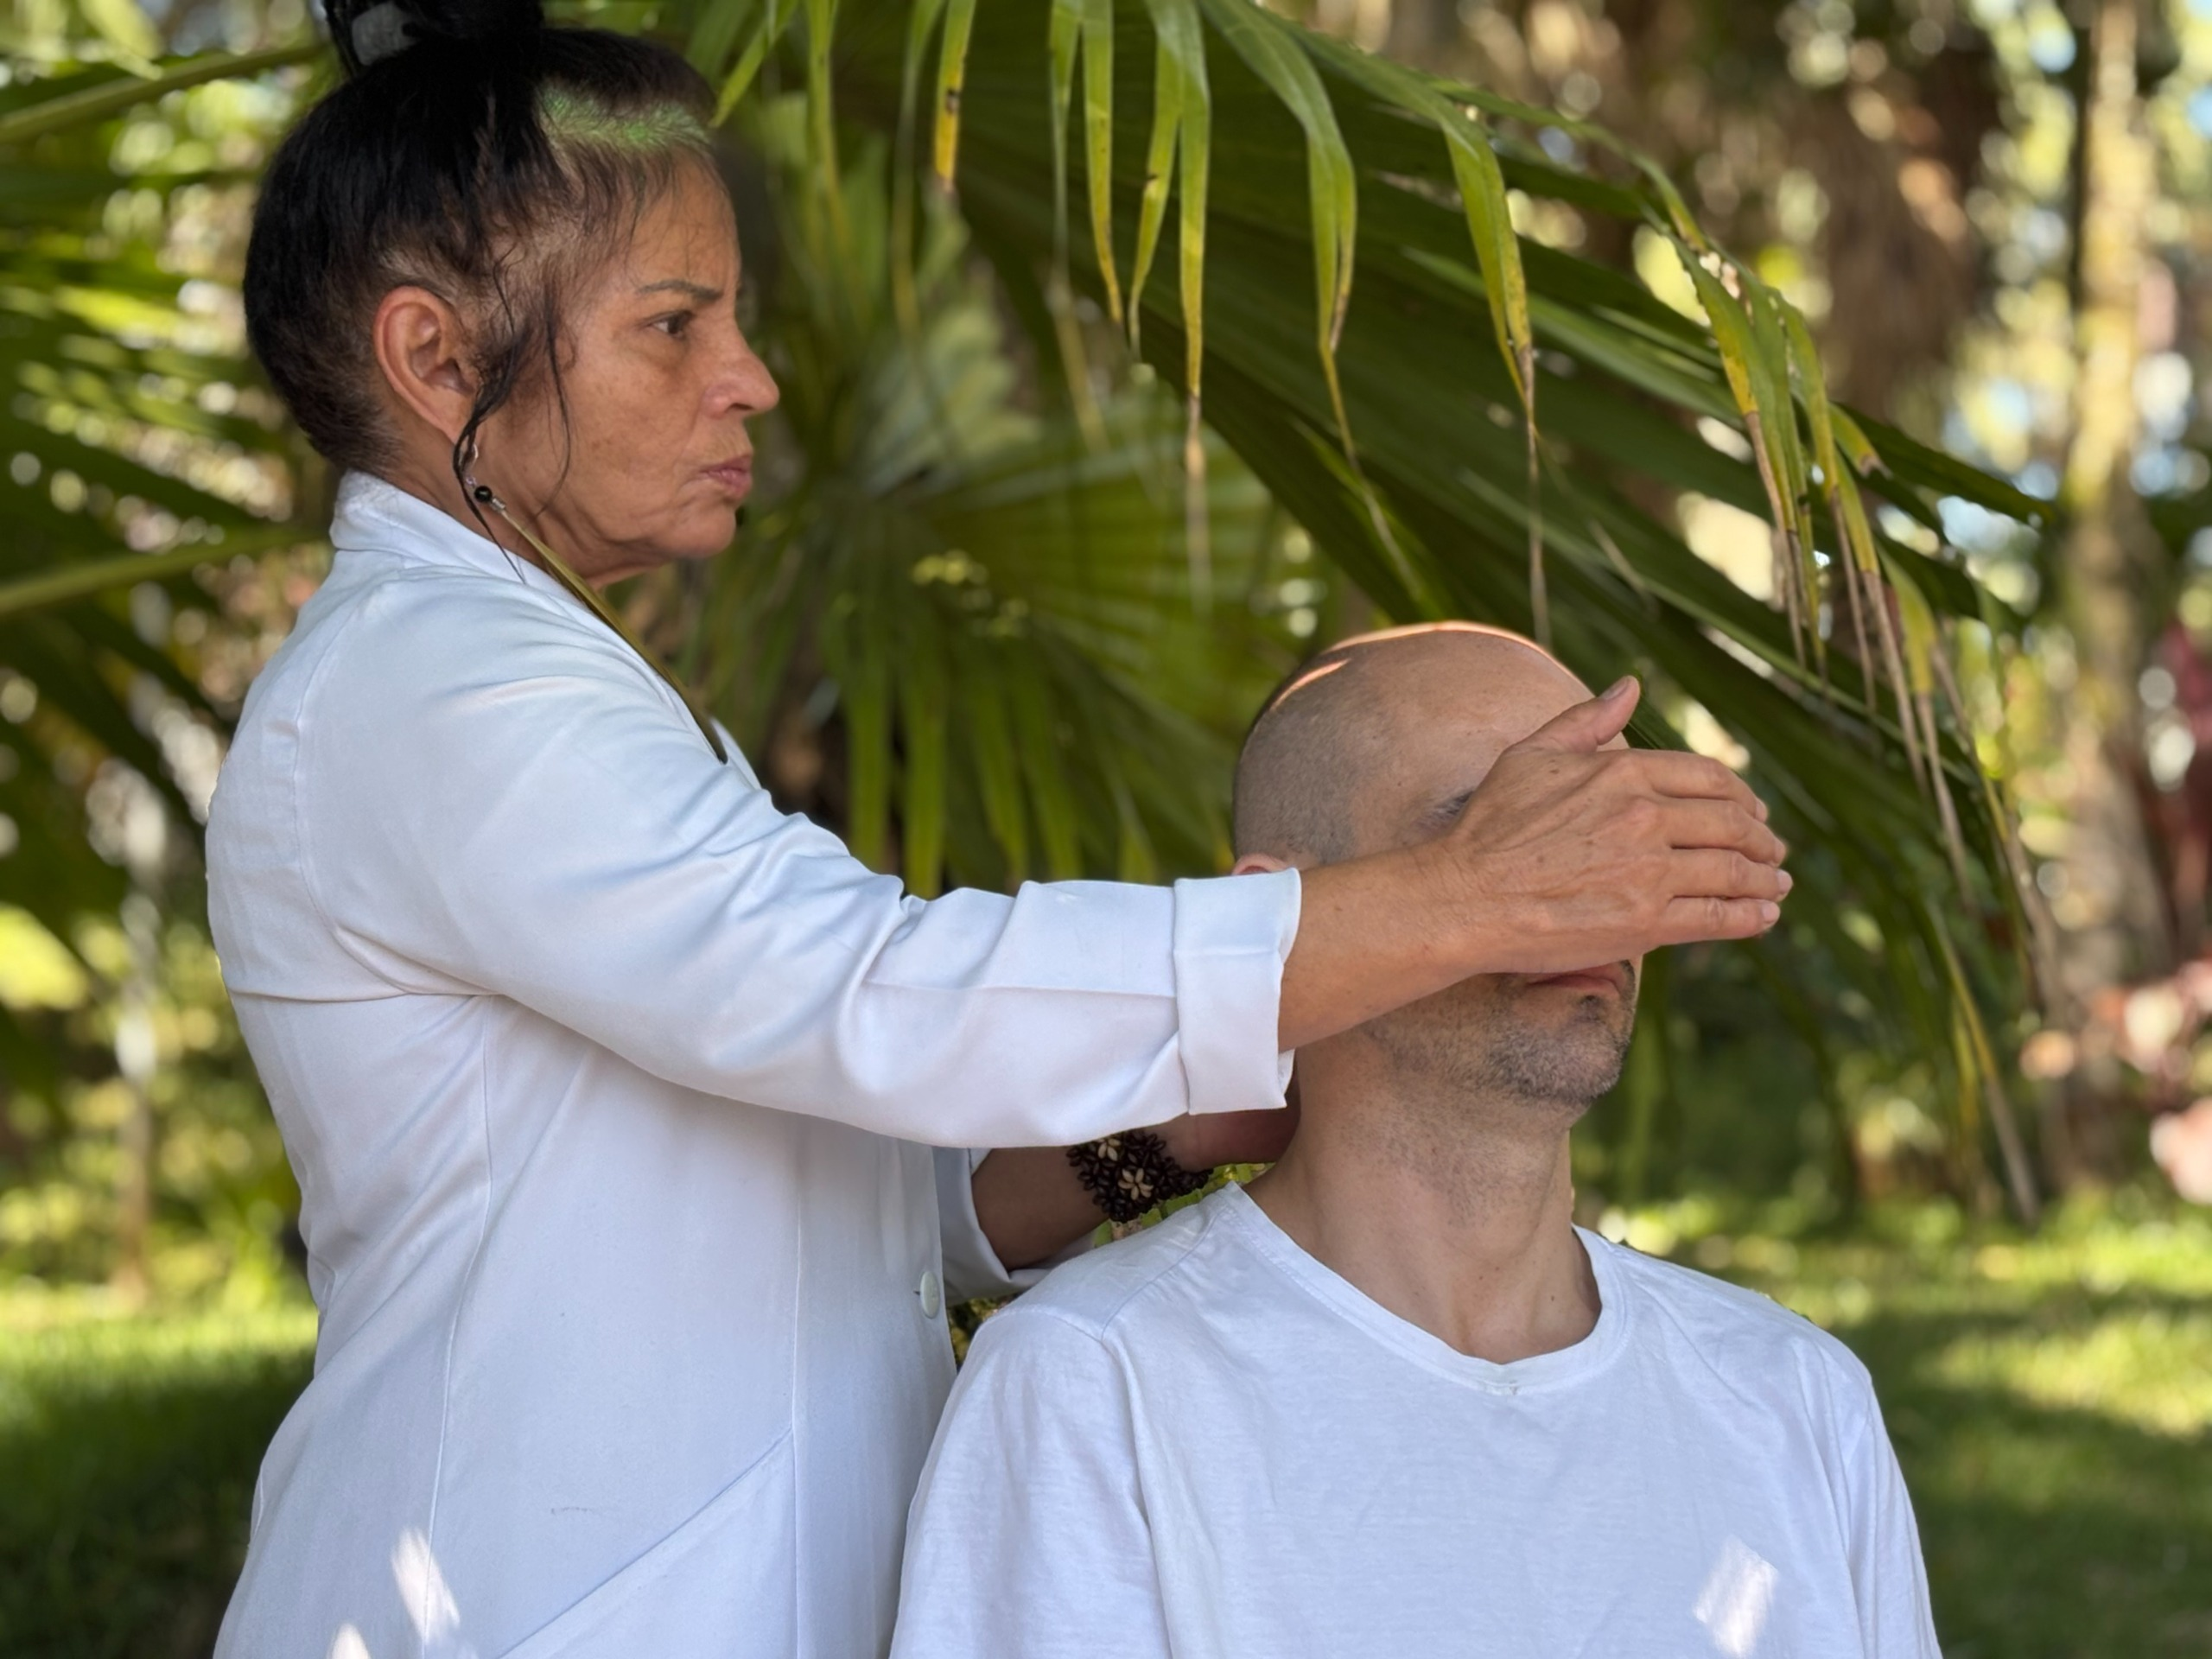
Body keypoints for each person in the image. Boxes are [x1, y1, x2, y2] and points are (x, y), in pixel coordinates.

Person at [209, 0, 1793, 1649]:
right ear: (435, 358)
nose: (747, 378)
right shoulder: (433, 688)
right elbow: (870, 999)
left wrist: (1166, 1135)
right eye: (674, 325)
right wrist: (1467, 895)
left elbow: (872, 1220)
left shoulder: (538, 686)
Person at [893, 625, 1936, 1659]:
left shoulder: (1795, 1396)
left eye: (1616, 841)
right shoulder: (1093, 1384)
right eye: (1512, 835)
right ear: (1273, 913)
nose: (1599, 899)